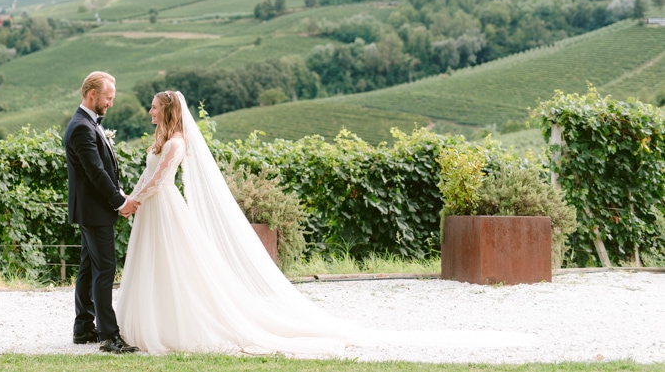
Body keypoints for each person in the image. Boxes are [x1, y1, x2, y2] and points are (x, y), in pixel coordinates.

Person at [115, 91, 540, 356]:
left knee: (174, 267)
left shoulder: (175, 142)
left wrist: (133, 201)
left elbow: (158, 180)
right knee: (155, 266)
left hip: (163, 208)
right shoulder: (160, 140)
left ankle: (170, 324)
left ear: (167, 110)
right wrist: (132, 198)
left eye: (154, 105)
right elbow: (147, 178)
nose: (149, 110)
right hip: (152, 209)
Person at [63, 71, 139, 354]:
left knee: (87, 268)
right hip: (94, 211)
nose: (110, 103)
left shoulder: (85, 123)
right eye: (108, 98)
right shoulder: (83, 127)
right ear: (92, 94)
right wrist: (119, 202)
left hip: (90, 210)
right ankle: (109, 336)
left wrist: (120, 196)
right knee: (105, 269)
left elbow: (101, 170)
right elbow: (95, 172)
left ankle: (83, 328)